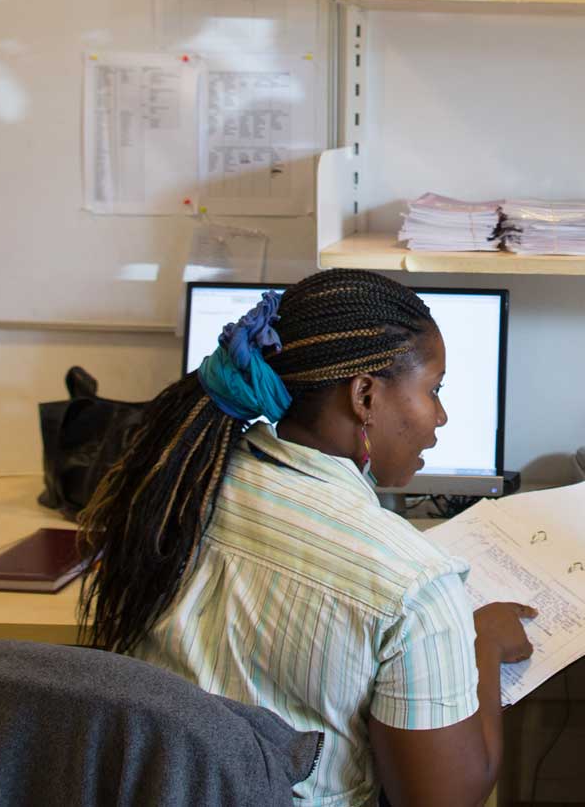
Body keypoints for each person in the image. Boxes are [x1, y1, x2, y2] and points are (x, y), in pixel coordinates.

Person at [78, 270, 536, 807]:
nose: (440, 415)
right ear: (364, 395)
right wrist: (479, 642)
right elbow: (446, 800)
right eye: (433, 390)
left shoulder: (179, 487)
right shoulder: (413, 583)